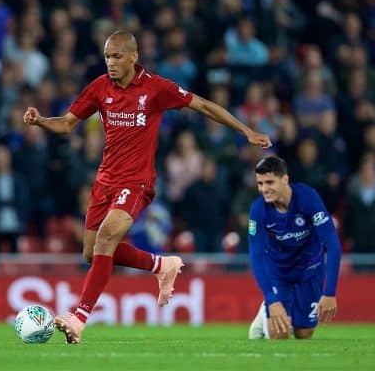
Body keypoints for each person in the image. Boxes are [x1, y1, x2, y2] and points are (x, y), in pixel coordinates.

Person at [23, 30, 272, 344]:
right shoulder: (99, 88)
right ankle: (160, 264)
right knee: (92, 252)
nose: (111, 63)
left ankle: (79, 316)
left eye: (116, 56)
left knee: (106, 237)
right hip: (104, 182)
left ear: (132, 56)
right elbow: (67, 124)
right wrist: (41, 120)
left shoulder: (155, 88)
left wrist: (245, 130)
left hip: (136, 181)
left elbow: (204, 106)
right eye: (107, 57)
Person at [247, 156, 341, 340]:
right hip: (278, 273)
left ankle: (268, 310)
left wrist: (329, 293)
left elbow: (333, 245)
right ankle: (268, 307)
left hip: (310, 271)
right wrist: (271, 299)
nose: (264, 189)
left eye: (269, 182)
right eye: (260, 183)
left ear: (285, 179)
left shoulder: (308, 199)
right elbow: (256, 256)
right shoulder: (258, 210)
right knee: (279, 333)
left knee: (304, 334)